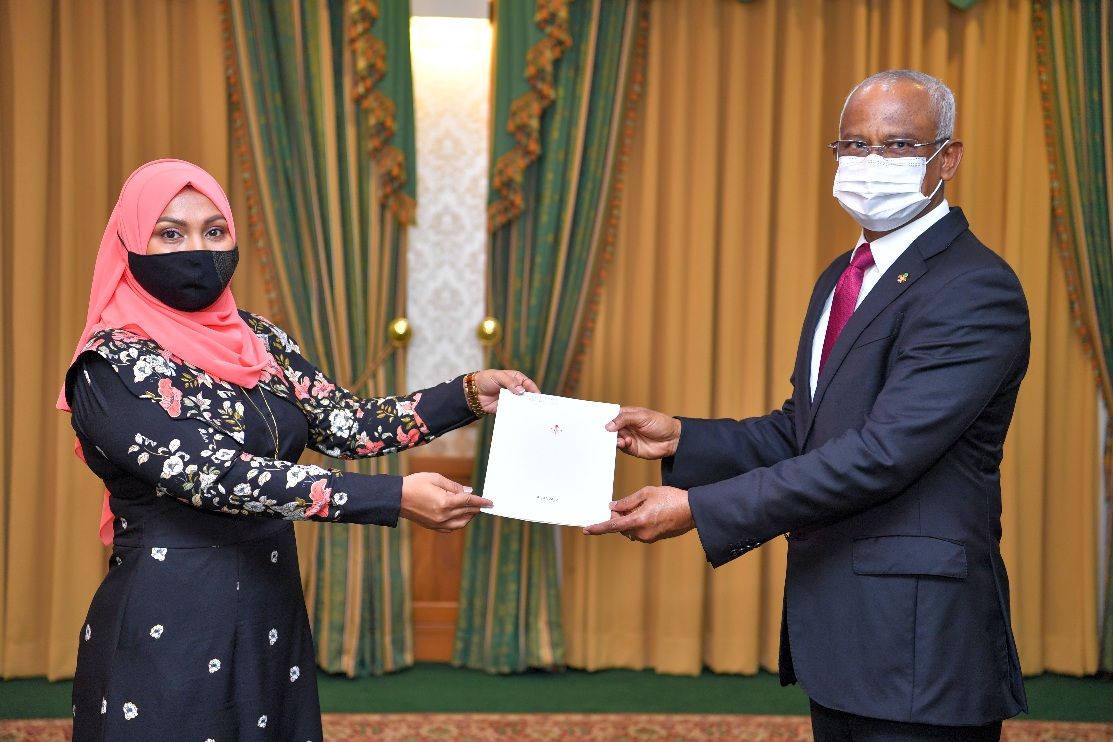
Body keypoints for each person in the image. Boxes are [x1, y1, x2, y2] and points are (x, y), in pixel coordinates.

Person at [585, 70, 1029, 740]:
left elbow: (880, 456)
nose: (869, 163)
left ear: (947, 157)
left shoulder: (973, 288)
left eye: (897, 146)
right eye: (853, 145)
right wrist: (681, 437)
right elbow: (807, 429)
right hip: (840, 629)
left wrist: (698, 509)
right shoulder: (842, 275)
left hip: (917, 642)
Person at [58, 158, 538, 741]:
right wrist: (395, 497)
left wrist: (466, 394)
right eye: (169, 232)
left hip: (268, 607)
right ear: (130, 243)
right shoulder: (107, 367)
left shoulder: (260, 340)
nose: (197, 248)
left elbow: (345, 423)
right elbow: (219, 477)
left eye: (215, 230)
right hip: (171, 615)